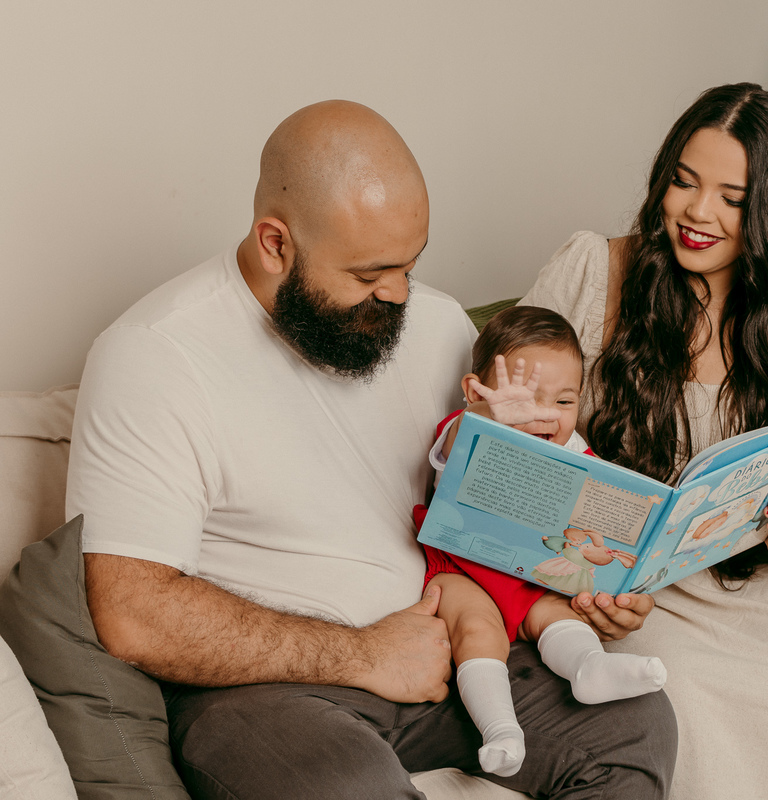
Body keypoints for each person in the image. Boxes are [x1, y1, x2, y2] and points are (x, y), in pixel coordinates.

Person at [66, 100, 676, 800]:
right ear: (275, 244)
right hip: (271, 694)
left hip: (451, 650)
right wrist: (360, 655)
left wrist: (587, 584)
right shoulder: (155, 357)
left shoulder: (437, 324)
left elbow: (496, 500)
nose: (398, 294)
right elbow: (133, 613)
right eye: (367, 276)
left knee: (633, 724)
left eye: (411, 265)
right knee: (347, 786)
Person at [521, 83, 768, 799]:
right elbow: (505, 426)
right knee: (688, 696)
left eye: (733, 198)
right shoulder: (594, 271)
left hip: (760, 584)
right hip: (628, 585)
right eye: (684, 182)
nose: (698, 213)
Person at [415, 305, 666, 778]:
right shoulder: (467, 427)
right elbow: (453, 445)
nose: (545, 415)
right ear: (475, 392)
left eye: (564, 402)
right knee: (476, 628)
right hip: (464, 565)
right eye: (527, 399)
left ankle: (588, 668)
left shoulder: (575, 450)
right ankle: (500, 730)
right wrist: (488, 415)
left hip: (532, 569)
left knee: (558, 614)